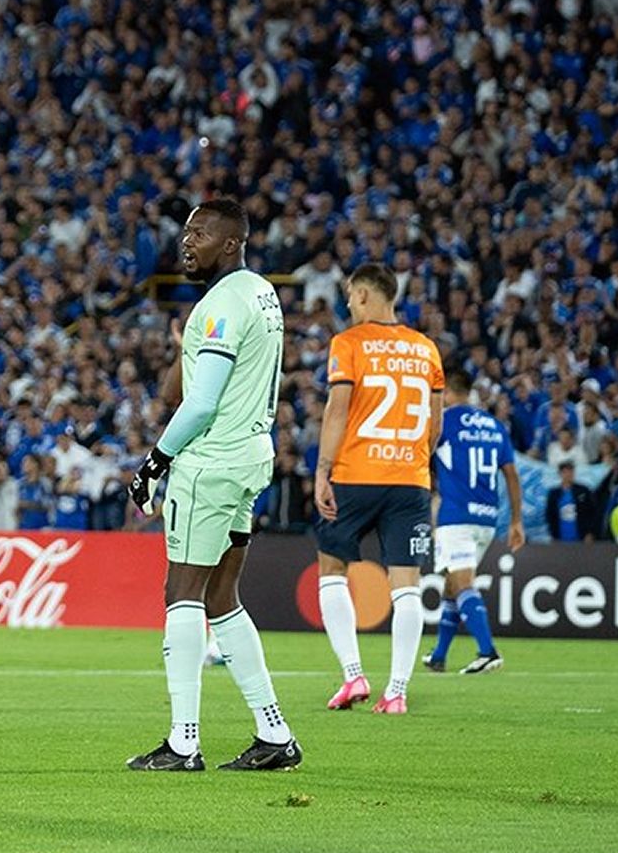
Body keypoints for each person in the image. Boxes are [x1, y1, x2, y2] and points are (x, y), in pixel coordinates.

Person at [124, 200, 299, 773]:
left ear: (231, 243)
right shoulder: (261, 292)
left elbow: (197, 402)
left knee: (182, 593)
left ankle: (183, 742)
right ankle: (274, 734)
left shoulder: (219, 305)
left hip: (213, 462)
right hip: (252, 455)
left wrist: (154, 462)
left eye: (199, 234)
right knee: (223, 599)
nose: (186, 242)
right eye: (185, 232)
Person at [313, 262, 445, 715]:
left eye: (351, 295)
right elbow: (435, 423)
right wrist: (413, 461)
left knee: (331, 569)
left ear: (366, 295)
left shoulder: (348, 344)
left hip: (354, 474)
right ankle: (397, 692)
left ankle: (353, 676)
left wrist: (322, 471)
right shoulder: (426, 350)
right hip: (409, 480)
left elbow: (337, 411)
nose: (348, 303)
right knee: (406, 583)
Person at [426, 370, 524, 674]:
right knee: (452, 584)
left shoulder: (443, 422)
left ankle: (488, 651)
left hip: (456, 516)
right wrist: (516, 521)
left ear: (448, 390)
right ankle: (439, 655)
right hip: (487, 517)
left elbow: (422, 456)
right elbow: (510, 473)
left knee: (462, 583)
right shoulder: (494, 426)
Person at [546, 463, 601, 542]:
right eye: (565, 472)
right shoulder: (554, 493)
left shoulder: (583, 490)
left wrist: (590, 532)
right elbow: (550, 515)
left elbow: (592, 512)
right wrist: (553, 534)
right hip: (561, 536)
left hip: (580, 535)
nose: (568, 475)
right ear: (560, 474)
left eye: (570, 472)